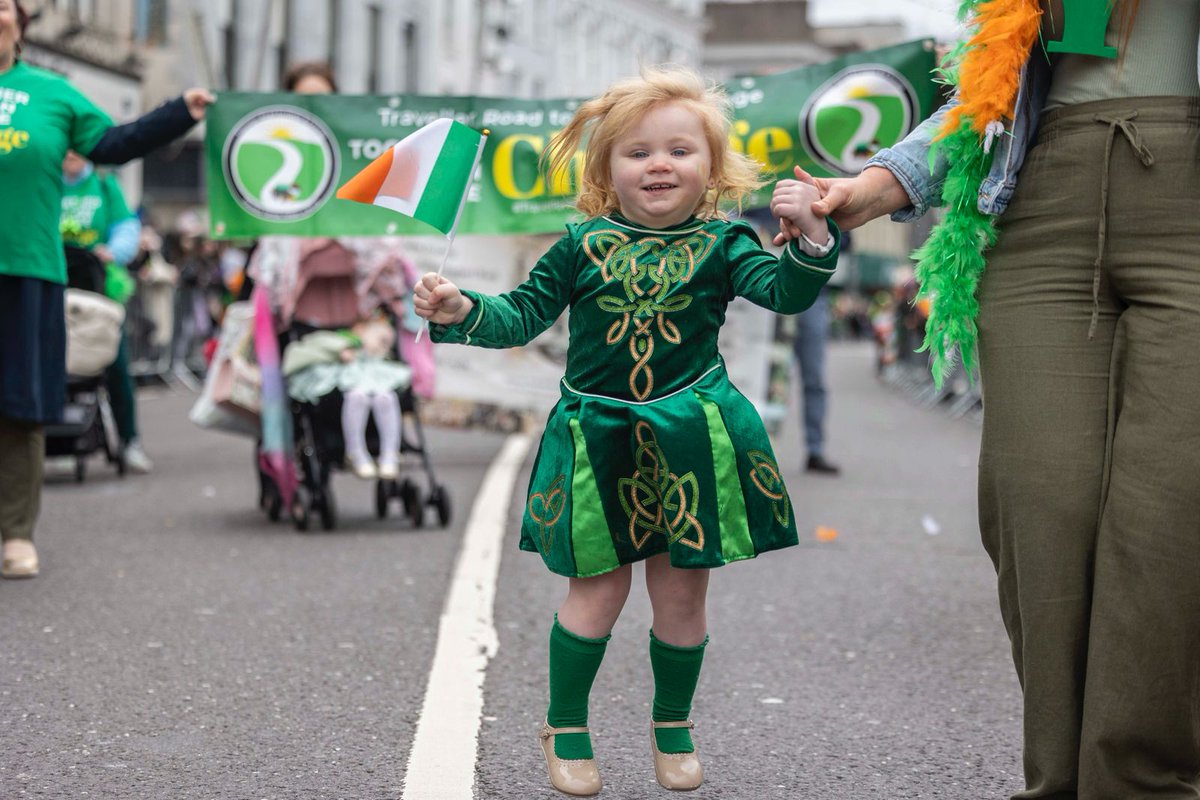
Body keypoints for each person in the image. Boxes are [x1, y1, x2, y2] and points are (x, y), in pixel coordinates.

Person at [794, 3, 1200, 797]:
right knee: (1040, 508)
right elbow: (990, 90)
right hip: (1043, 204)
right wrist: (877, 184)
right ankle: (1056, 781)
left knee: (1169, 514)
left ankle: (1144, 783)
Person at [414, 66, 840, 796]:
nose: (660, 164)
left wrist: (813, 237)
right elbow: (518, 315)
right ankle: (566, 726)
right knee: (597, 594)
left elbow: (785, 292)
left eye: (679, 149)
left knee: (681, 597)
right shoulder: (579, 244)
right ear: (607, 169)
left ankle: (672, 725)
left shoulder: (725, 244)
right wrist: (460, 310)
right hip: (597, 441)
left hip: (688, 438)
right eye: (638, 152)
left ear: (711, 167)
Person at [0, 0, 213, 578]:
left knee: (21, 405)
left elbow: (114, 144)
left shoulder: (52, 93)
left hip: (28, 269)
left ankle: (15, 532)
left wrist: (178, 113)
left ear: (20, 22)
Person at [60, 150, 153, 473]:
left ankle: (130, 440)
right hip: (55, 289)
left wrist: (112, 251)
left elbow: (126, 228)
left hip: (99, 291)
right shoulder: (48, 181)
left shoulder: (103, 184)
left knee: (115, 363)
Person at [793, 288, 839, 475]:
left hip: (811, 293)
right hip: (767, 290)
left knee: (814, 381)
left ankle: (815, 450)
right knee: (763, 380)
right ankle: (748, 449)